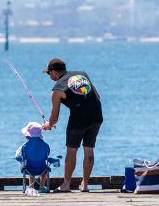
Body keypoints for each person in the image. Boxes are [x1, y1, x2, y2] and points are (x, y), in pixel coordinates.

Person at [42, 57, 103, 193]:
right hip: (96, 116)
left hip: (78, 119)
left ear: (53, 71)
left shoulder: (56, 90)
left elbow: (54, 118)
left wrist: (48, 125)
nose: (49, 76)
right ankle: (85, 185)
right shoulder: (82, 74)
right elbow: (97, 96)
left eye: (48, 73)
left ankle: (66, 185)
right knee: (89, 149)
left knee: (72, 151)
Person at [15, 121, 53, 193]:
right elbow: (47, 154)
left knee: (29, 166)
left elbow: (17, 155)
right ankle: (42, 186)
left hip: (29, 167)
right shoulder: (44, 145)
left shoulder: (25, 146)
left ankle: (30, 186)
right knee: (45, 167)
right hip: (42, 168)